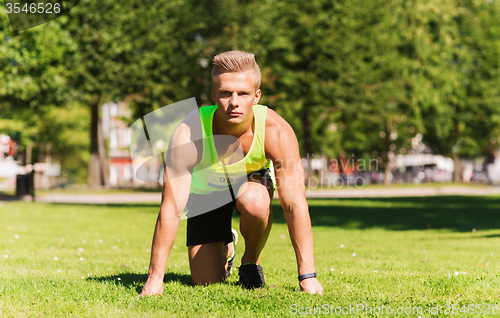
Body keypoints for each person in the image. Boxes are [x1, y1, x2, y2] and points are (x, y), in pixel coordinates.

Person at [138, 50, 323, 296]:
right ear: (214, 94)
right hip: (206, 193)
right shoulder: (189, 133)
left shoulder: (276, 132)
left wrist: (307, 277)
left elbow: (295, 204)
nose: (234, 102)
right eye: (225, 93)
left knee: (255, 203)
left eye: (243, 93)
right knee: (207, 282)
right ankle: (227, 247)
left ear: (256, 96)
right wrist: (154, 279)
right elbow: (171, 208)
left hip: (252, 182)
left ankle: (249, 262)